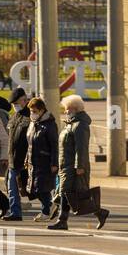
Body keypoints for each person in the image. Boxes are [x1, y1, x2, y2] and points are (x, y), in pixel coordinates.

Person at [51, 93, 109, 230]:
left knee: (67, 193)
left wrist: (80, 166)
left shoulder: (80, 125)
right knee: (74, 195)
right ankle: (100, 212)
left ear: (76, 109)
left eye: (68, 109)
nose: (66, 111)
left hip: (73, 166)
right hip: (65, 165)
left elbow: (81, 147)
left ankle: (62, 220)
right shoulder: (70, 124)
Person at [25, 97, 59, 221]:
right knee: (32, 188)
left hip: (44, 161)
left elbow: (54, 145)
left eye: (34, 111)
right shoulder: (34, 124)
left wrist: (54, 162)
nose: (32, 114)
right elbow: (30, 143)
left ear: (42, 110)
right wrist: (26, 159)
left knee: (40, 188)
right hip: (32, 160)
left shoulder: (49, 124)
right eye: (31, 111)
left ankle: (46, 210)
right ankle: (49, 206)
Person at [4, 88, 30, 221]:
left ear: (25, 100)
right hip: (12, 159)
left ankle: (47, 208)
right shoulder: (14, 117)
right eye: (13, 103)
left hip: (25, 159)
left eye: (17, 102)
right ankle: (15, 212)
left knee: (33, 189)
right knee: (11, 186)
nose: (15, 106)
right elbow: (11, 139)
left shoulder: (30, 115)